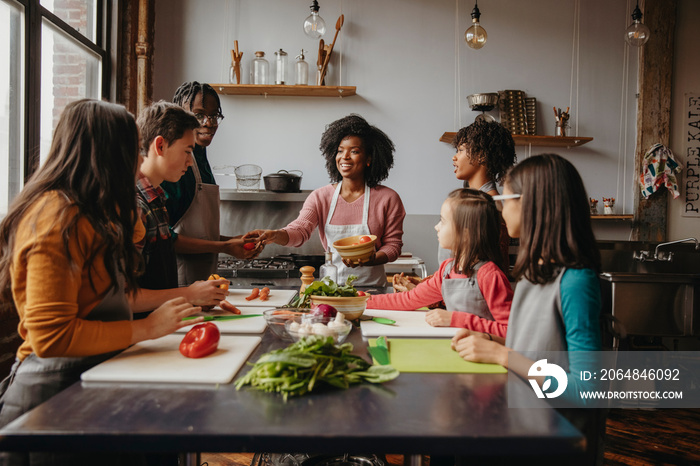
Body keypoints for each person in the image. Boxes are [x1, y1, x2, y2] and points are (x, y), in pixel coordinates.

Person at [0, 99, 204, 464]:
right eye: (130, 150)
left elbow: (109, 297)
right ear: (108, 154)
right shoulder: (54, 218)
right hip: (51, 399)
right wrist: (147, 328)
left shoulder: (94, 212)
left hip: (92, 379)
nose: (136, 161)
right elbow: (51, 338)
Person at [451, 153, 604, 463]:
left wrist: (502, 355)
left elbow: (586, 391)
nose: (500, 207)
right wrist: (488, 339)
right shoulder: (532, 273)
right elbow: (534, 347)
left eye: (505, 198)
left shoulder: (576, 282)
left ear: (533, 204)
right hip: (522, 426)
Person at [244, 114, 405, 287]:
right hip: (332, 289)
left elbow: (393, 246)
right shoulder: (320, 197)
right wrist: (275, 235)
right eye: (340, 150)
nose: (345, 157)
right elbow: (299, 231)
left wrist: (369, 260)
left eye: (354, 151)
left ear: (369, 159)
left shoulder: (388, 199)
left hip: (372, 290)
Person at [393, 119, 516, 293]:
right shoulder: (476, 202)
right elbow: (460, 272)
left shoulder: (491, 207)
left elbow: (479, 281)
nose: (454, 157)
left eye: (460, 150)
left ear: (481, 155)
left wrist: (429, 293)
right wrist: (423, 286)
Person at [367, 189, 512, 336]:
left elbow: (510, 332)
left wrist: (456, 319)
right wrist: (361, 300)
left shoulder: (490, 276)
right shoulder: (447, 270)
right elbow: (408, 299)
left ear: (466, 234)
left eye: (442, 221)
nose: (436, 227)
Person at [132, 101, 230, 313]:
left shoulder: (157, 199)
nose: (189, 162)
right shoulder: (135, 208)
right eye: (187, 152)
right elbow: (124, 298)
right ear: (160, 146)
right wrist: (189, 294)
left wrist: (194, 297)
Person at [161, 81, 258, 287]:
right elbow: (165, 238)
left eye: (214, 116)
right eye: (199, 115)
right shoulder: (176, 167)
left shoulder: (201, 160)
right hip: (178, 284)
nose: (209, 122)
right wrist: (224, 245)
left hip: (202, 282)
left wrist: (231, 241)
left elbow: (195, 231)